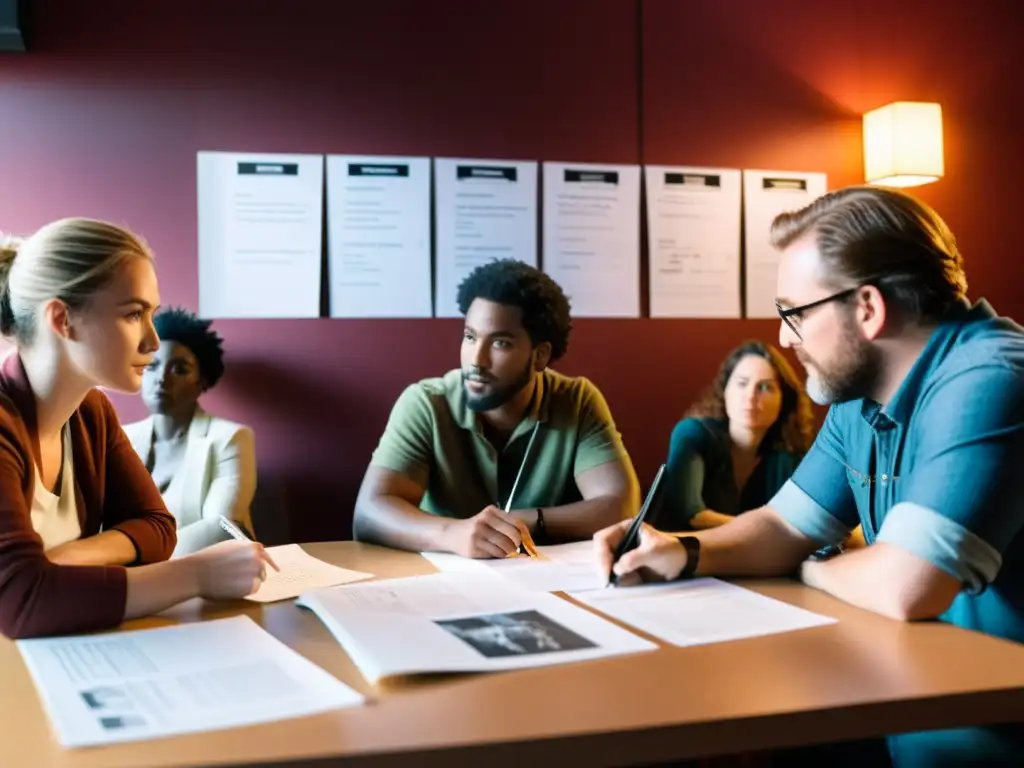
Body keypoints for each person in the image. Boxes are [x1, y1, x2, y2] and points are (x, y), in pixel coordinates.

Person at [595, 187, 1024, 766]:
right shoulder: (861, 394)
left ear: (867, 309)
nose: (784, 338)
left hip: (993, 733)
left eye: (793, 312)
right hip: (919, 706)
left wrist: (815, 567)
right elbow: (784, 523)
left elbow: (908, 585)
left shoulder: (993, 379)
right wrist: (681, 549)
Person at [0, 218, 274, 640]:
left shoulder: (92, 412)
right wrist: (195, 576)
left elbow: (158, 527)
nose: (151, 341)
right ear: (62, 319)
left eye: (152, 314)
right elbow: (22, 600)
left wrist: (64, 558)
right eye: (133, 314)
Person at [354, 258, 640, 558]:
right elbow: (369, 513)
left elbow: (620, 508)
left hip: (543, 581)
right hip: (443, 582)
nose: (477, 360)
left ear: (540, 356)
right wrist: (453, 534)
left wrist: (521, 522)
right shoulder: (426, 402)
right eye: (470, 337)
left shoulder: (576, 399)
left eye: (500, 343)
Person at [124, 307, 257, 557]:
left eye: (179, 369)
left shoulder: (230, 438)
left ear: (202, 381)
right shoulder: (121, 438)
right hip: (129, 580)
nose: (162, 378)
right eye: (152, 366)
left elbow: (221, 527)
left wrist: (144, 566)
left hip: (205, 576)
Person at [659, 340, 814, 532]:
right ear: (725, 390)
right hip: (685, 553)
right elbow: (690, 514)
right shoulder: (693, 433)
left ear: (784, 400)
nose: (750, 396)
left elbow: (807, 520)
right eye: (742, 383)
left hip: (759, 560)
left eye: (765, 387)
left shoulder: (787, 457)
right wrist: (772, 531)